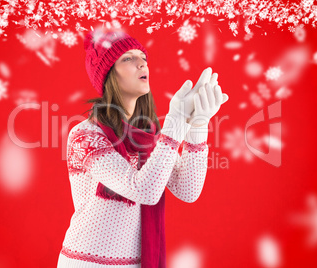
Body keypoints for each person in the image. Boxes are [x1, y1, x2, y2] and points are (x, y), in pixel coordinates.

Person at [57, 28, 229, 268]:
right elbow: (144, 190)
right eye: (128, 58)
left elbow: (188, 190)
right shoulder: (85, 135)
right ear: (108, 75)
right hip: (87, 263)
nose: (142, 64)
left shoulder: (148, 136)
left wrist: (197, 124)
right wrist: (176, 120)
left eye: (143, 58)